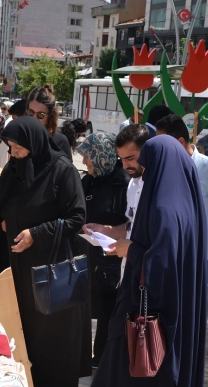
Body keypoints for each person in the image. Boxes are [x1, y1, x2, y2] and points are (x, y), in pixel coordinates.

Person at [66, 134, 208, 387]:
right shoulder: (182, 200)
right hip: (165, 317)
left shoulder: (164, 206)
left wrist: (133, 249)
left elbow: (164, 264)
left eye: (145, 160)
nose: (140, 166)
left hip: (146, 316)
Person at [0, 116, 88, 387]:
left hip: (49, 263)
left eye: (17, 149)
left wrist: (37, 234)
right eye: (11, 149)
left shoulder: (62, 171)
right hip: (18, 261)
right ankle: (27, 379)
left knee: (48, 326)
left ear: (34, 144)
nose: (13, 155)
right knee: (22, 320)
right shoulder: (15, 170)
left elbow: (77, 217)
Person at [76, 132, 129, 368]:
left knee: (108, 310)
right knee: (81, 307)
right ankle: (80, 358)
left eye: (89, 157)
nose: (85, 162)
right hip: (86, 254)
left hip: (112, 258)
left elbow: (134, 224)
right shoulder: (89, 179)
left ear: (102, 157)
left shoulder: (125, 184)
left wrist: (107, 229)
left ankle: (102, 360)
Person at [156, 115, 208, 274]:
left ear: (180, 142)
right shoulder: (161, 168)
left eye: (161, 144)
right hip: (166, 255)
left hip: (198, 258)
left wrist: (201, 237)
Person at [83, 124, 151, 285]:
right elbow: (130, 226)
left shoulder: (130, 184)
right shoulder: (89, 182)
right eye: (122, 159)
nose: (126, 165)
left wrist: (126, 245)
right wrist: (102, 229)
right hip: (98, 266)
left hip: (126, 269)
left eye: (130, 158)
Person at [27, 85, 72, 160]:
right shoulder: (21, 137)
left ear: (50, 116)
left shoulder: (60, 141)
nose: (34, 118)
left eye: (40, 115)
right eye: (31, 112)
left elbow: (67, 170)